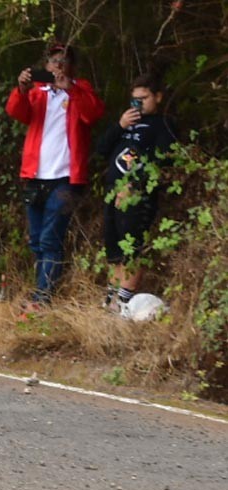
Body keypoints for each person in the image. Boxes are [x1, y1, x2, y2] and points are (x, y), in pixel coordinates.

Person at [6, 43, 104, 312]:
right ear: (46, 65)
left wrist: (70, 89)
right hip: (36, 176)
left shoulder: (80, 89)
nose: (58, 65)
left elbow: (93, 114)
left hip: (66, 179)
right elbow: (16, 112)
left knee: (51, 238)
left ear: (71, 66)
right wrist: (22, 88)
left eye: (63, 61)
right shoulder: (38, 93)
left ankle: (43, 298)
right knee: (36, 239)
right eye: (53, 60)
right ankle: (43, 291)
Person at [96, 73, 178, 312]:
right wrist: (120, 125)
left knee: (131, 248)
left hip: (137, 194)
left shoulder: (162, 125)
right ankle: (111, 299)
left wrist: (134, 185)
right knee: (113, 249)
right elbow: (101, 149)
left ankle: (124, 300)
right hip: (113, 191)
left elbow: (164, 161)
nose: (139, 104)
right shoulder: (126, 122)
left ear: (158, 97)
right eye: (135, 99)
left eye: (144, 98)